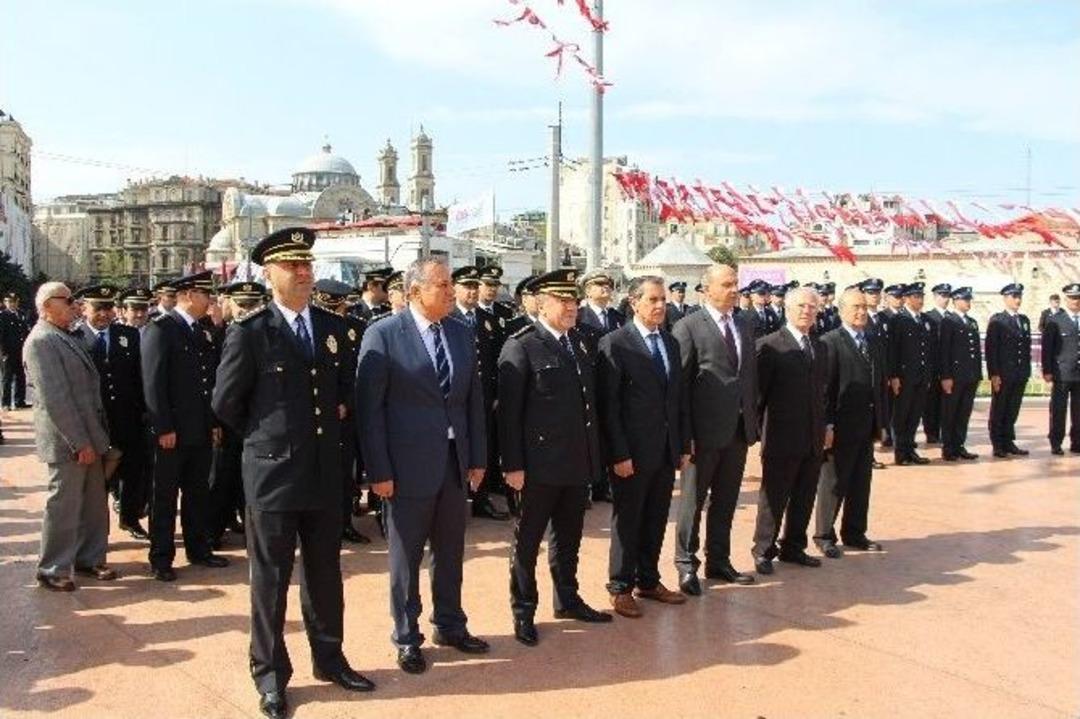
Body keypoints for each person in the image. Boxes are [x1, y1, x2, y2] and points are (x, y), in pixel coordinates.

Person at [214, 228, 375, 719]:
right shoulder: (250, 332)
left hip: (326, 474)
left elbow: (345, 394)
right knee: (271, 579)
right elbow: (226, 404)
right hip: (274, 477)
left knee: (326, 573)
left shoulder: (334, 328)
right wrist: (270, 442)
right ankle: (269, 675)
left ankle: (329, 659)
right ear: (270, 275)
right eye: (292, 267)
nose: (304, 274)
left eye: (307, 265)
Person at [357, 257, 491, 674]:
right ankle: (406, 635)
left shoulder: (460, 331)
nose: (451, 291)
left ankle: (449, 624)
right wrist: (378, 470)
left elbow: (473, 401)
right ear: (415, 292)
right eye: (442, 285)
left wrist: (478, 457)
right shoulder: (382, 335)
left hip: (454, 464)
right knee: (406, 558)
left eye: (451, 284)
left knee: (451, 552)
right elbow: (369, 411)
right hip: (405, 468)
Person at [499, 269, 613, 647]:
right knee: (527, 542)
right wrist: (513, 465)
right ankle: (523, 610)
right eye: (563, 301)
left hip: (575, 462)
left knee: (569, 538)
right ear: (541, 303)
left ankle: (567, 599)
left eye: (573, 301)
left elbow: (588, 407)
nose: (571, 307)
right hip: (537, 466)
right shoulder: (522, 345)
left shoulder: (580, 343)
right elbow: (508, 414)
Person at [597, 276, 690, 618]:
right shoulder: (616, 343)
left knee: (655, 518)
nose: (660, 305)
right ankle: (620, 586)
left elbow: (677, 399)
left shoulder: (670, 342)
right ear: (634, 302)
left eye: (662, 299)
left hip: (664, 450)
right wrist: (619, 454)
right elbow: (610, 406)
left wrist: (681, 444)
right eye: (652, 299)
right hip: (631, 453)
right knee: (628, 520)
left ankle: (648, 580)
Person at [671, 263, 759, 593]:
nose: (734, 289)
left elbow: (748, 376)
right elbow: (679, 388)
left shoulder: (745, 322)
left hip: (737, 429)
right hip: (701, 434)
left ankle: (718, 560)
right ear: (707, 289)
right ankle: (685, 564)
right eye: (727, 284)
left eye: (736, 283)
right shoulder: (688, 326)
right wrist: (685, 435)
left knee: (725, 500)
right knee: (693, 502)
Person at [24, 282, 116, 591]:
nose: (75, 306)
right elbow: (56, 400)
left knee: (92, 503)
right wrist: (80, 442)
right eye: (68, 301)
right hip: (68, 442)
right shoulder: (41, 341)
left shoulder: (63, 336)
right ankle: (52, 567)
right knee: (63, 505)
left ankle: (88, 558)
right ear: (48, 305)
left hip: (89, 436)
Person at [141, 270, 229, 581]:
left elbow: (208, 383)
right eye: (206, 295)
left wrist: (213, 422)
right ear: (189, 295)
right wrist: (163, 427)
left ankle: (199, 549)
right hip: (172, 432)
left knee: (197, 493)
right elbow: (153, 385)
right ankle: (161, 558)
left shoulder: (201, 330)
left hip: (199, 429)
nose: (211, 301)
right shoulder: (161, 329)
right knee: (165, 497)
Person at [751, 285, 829, 575]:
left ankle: (794, 547)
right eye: (801, 306)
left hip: (812, 436)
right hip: (781, 437)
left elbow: (823, 393)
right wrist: (761, 432)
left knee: (805, 494)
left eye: (812, 307)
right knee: (773, 497)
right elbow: (758, 396)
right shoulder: (770, 345)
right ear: (787, 308)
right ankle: (763, 550)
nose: (807, 311)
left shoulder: (819, 347)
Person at [73, 284, 149, 540]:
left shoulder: (127, 334)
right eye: (98, 308)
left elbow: (139, 377)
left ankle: (130, 518)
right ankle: (93, 532)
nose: (104, 314)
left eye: (108, 308)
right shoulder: (75, 337)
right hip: (94, 422)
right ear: (84, 309)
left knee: (132, 472)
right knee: (96, 480)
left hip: (127, 418)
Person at [814, 288, 883, 558]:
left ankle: (855, 532)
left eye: (864, 307)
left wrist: (881, 422)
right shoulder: (831, 342)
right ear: (842, 310)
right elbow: (825, 390)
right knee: (833, 482)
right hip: (840, 426)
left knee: (860, 482)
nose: (862, 312)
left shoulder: (873, 340)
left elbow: (878, 384)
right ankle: (824, 535)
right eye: (856, 307)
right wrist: (827, 425)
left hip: (865, 424)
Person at [313, 278, 372, 544]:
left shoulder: (357, 327)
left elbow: (356, 373)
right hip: (316, 416)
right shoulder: (310, 326)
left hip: (346, 414)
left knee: (346, 472)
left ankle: (345, 522)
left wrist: (346, 403)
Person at [450, 265, 510, 521]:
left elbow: (498, 360)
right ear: (454, 288)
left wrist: (496, 393)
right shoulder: (448, 318)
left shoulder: (489, 320)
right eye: (468, 286)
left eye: (476, 286)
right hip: (454, 399)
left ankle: (481, 499)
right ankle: (453, 501)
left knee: (481, 448)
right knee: (453, 450)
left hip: (483, 398)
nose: (473, 292)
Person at [985, 283, 1032, 458]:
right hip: (1003, 374)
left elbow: (1025, 348)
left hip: (1020, 373)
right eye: (1014, 297)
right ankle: (997, 443)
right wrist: (994, 374)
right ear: (1005, 298)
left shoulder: (1024, 320)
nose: (1018, 300)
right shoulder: (998, 321)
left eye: (1019, 296)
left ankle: (1008, 441)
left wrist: (1026, 370)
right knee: (999, 408)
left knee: (1013, 408)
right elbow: (992, 349)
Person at [888, 283, 932, 466]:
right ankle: (900, 452)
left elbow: (927, 350)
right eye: (915, 296)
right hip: (905, 376)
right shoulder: (899, 320)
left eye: (921, 296)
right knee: (902, 415)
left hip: (921, 376)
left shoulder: (924, 320)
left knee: (915, 415)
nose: (919, 300)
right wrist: (894, 375)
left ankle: (910, 449)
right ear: (906, 298)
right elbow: (893, 350)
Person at [937, 286, 982, 461]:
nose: (968, 303)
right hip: (954, 376)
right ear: (956, 301)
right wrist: (946, 376)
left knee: (964, 412)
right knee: (950, 413)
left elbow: (976, 351)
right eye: (965, 300)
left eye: (969, 299)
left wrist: (977, 373)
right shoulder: (949, 321)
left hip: (970, 375)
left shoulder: (971, 322)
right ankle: (948, 448)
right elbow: (945, 350)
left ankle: (959, 444)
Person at [1040, 283, 1080, 455]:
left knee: (1078, 411)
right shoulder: (1055, 320)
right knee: (1058, 410)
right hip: (1062, 372)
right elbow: (1047, 347)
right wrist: (1047, 370)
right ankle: (1056, 442)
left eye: (1078, 298)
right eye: (1072, 298)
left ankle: (1077, 442)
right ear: (1065, 299)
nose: (1075, 301)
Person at [922, 283, 952, 445]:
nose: (945, 299)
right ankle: (931, 431)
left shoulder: (951, 318)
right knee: (931, 401)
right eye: (942, 295)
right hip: (933, 365)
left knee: (945, 401)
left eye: (947, 296)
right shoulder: (928, 317)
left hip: (948, 366)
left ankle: (943, 429)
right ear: (935, 297)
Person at [1, 291, 32, 410]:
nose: (11, 304)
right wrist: (3, 353)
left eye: (13, 302)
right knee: (7, 378)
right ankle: (6, 403)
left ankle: (20, 401)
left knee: (21, 376)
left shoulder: (21, 314)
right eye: (8, 302)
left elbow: (25, 332)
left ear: (17, 302)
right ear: (5, 302)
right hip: (8, 352)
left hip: (20, 351)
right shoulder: (3, 316)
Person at [576, 270, 624, 335]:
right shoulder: (578, 317)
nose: (606, 287)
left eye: (610, 285)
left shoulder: (617, 317)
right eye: (600, 284)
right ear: (588, 291)